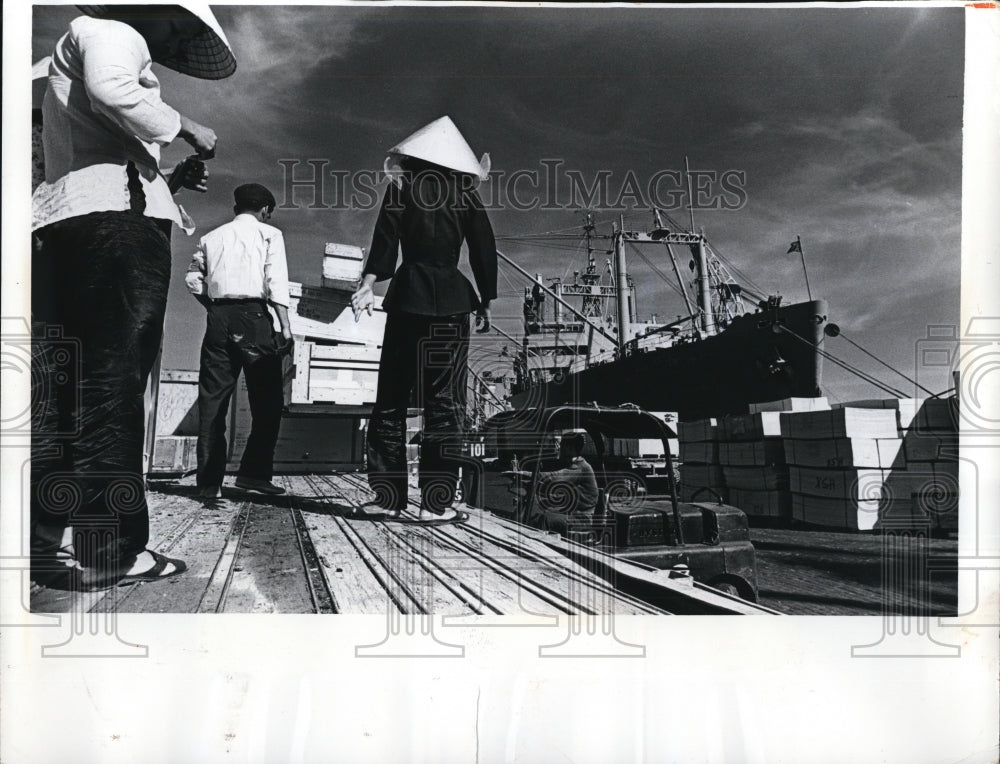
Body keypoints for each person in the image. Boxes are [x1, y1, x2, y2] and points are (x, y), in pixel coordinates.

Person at [30, 4, 236, 588]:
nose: (178, 41)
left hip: (68, 224)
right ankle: (111, 550)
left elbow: (98, 150)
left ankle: (45, 532)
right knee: (112, 383)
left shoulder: (80, 41)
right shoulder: (114, 30)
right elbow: (112, 89)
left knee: (65, 387)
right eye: (179, 27)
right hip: (116, 230)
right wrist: (187, 125)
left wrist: (167, 181)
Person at [351, 116, 497, 524]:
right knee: (444, 403)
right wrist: (486, 300)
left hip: (407, 298)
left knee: (391, 399)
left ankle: (387, 498)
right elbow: (484, 249)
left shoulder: (401, 187)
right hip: (452, 302)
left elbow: (385, 240)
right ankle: (436, 503)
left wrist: (368, 283)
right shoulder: (466, 195)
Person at [185, 183, 293, 499]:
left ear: (236, 208)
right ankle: (253, 475)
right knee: (268, 402)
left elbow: (192, 280)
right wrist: (285, 327)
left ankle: (209, 483)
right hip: (254, 318)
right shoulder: (270, 235)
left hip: (218, 317)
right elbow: (276, 282)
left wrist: (214, 307)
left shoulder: (210, 237)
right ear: (265, 210)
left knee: (213, 400)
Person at [519, 431, 601, 533]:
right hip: (573, 516)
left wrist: (524, 474)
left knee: (544, 520)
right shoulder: (574, 465)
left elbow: (553, 478)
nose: (558, 447)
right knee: (537, 517)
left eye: (561, 445)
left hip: (580, 520)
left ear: (570, 448)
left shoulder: (580, 467)